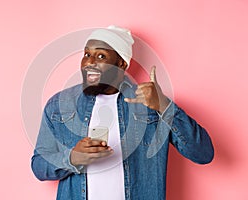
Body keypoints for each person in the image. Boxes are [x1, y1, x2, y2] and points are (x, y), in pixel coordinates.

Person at [31, 25, 214, 200]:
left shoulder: (150, 103)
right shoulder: (60, 105)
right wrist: (72, 158)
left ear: (121, 63)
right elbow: (39, 166)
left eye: (101, 56)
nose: (89, 62)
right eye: (87, 54)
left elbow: (203, 153)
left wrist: (164, 106)